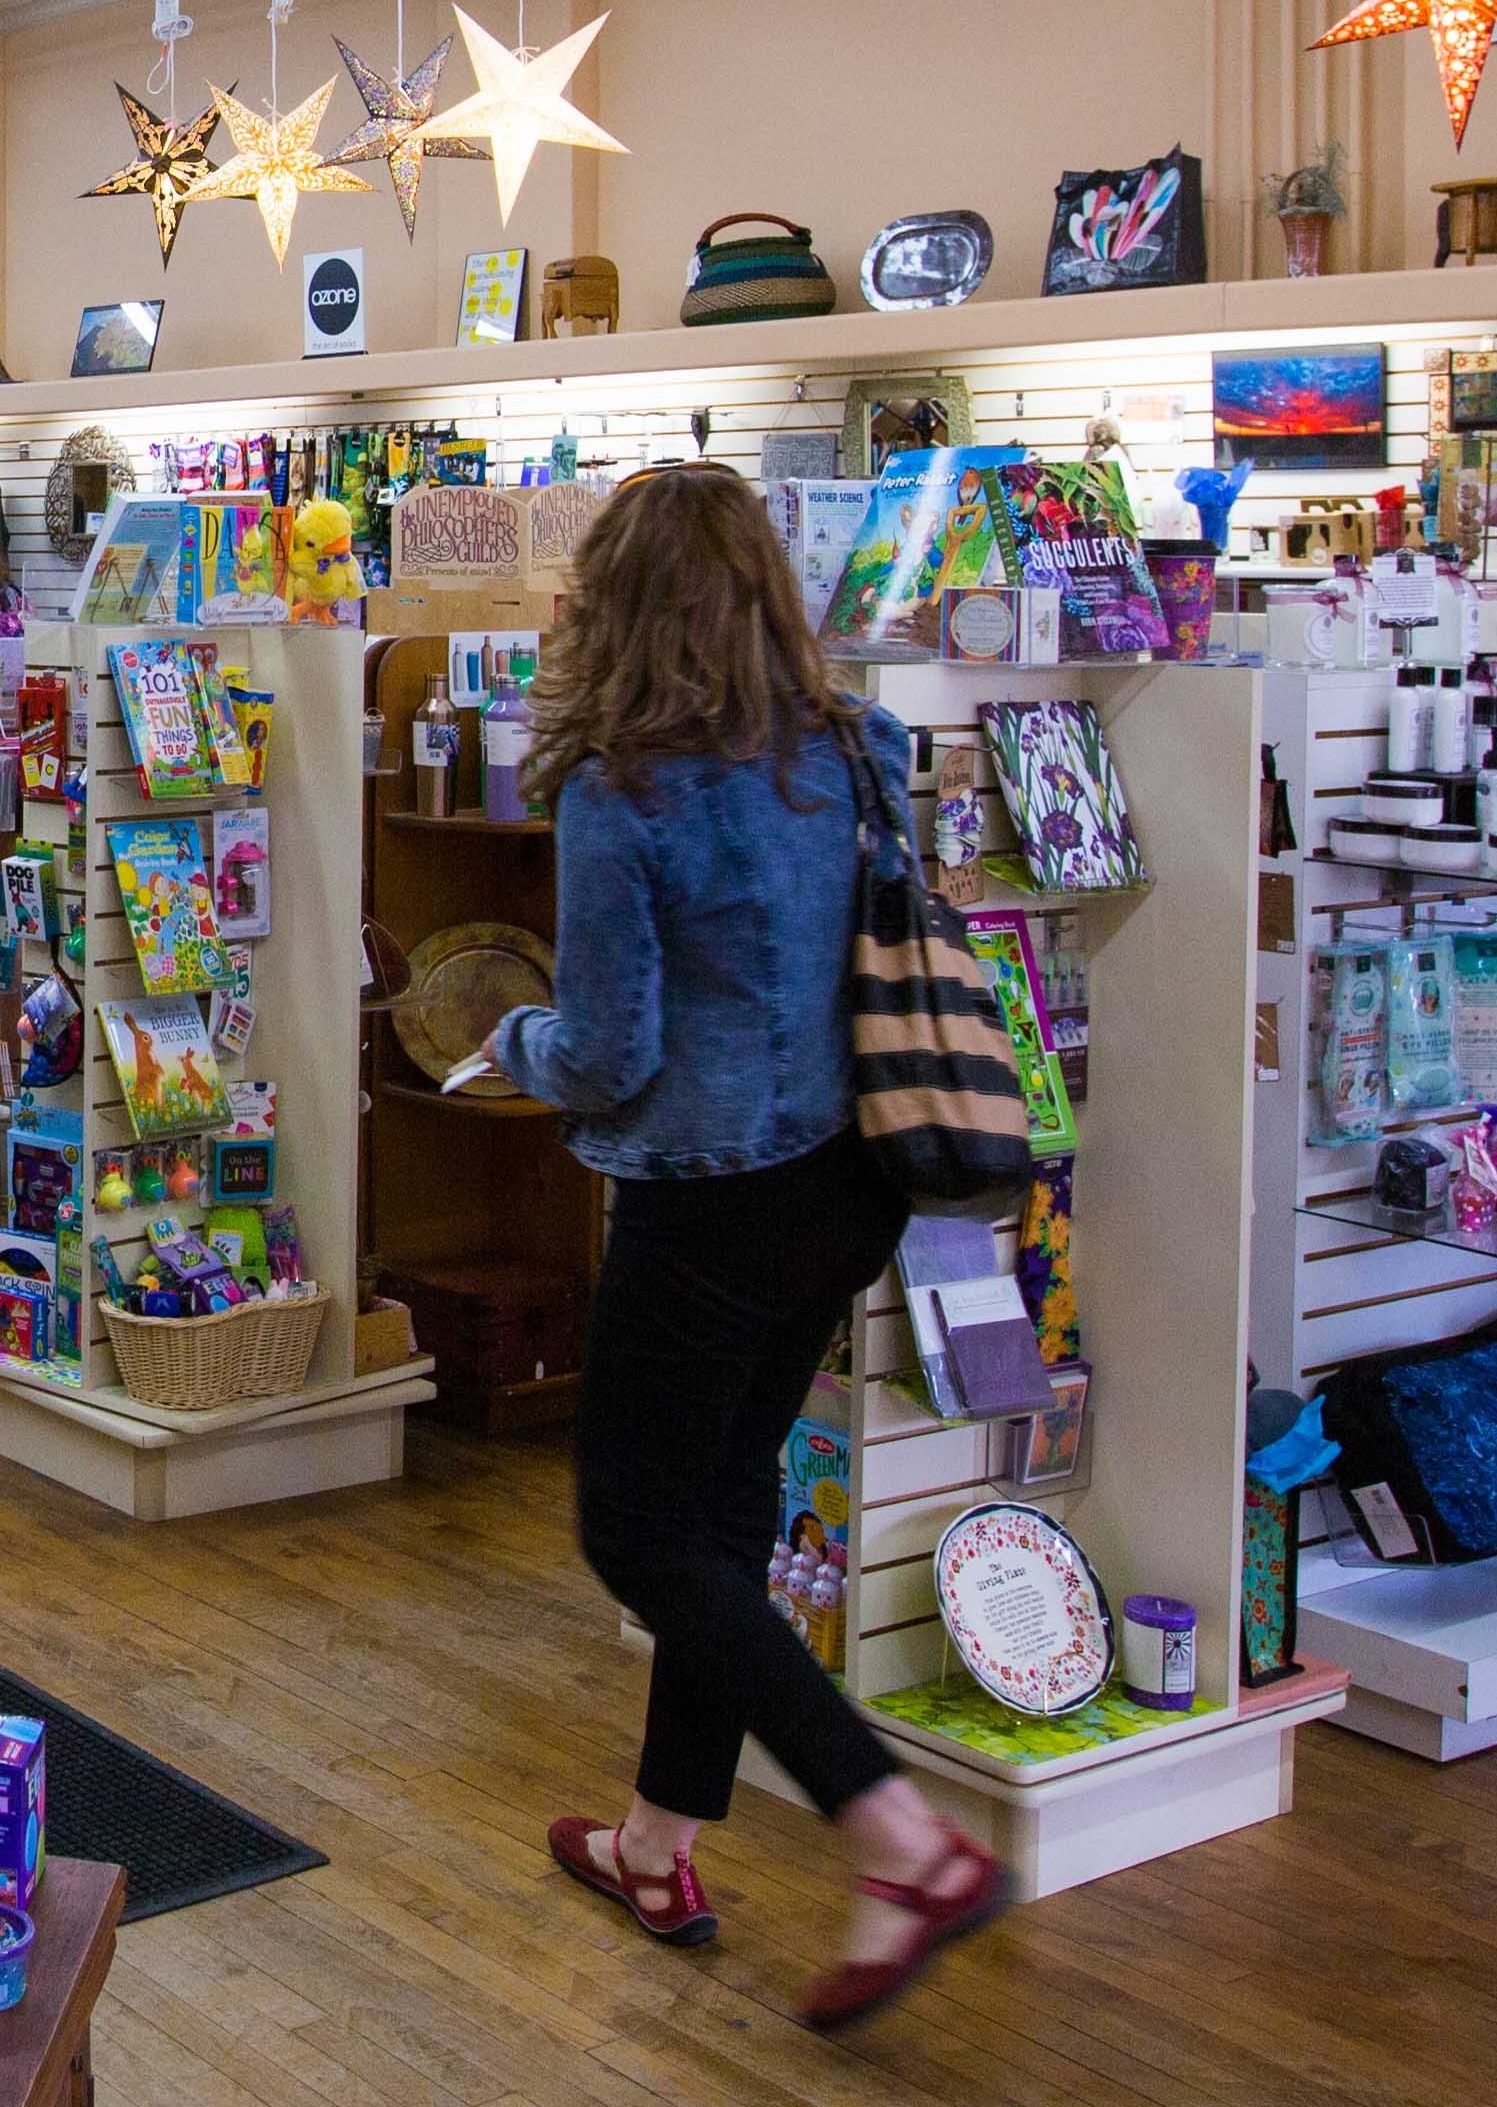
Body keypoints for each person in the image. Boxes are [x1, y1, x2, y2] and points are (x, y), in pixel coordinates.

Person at [478, 461, 1002, 2031]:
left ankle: (899, 1838)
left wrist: (511, 1039)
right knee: (722, 1512)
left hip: (705, 1198)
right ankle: (657, 1844)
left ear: (614, 610)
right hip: (853, 1182)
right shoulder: (854, 749)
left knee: (641, 1536)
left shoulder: (617, 789)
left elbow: (613, 1049)